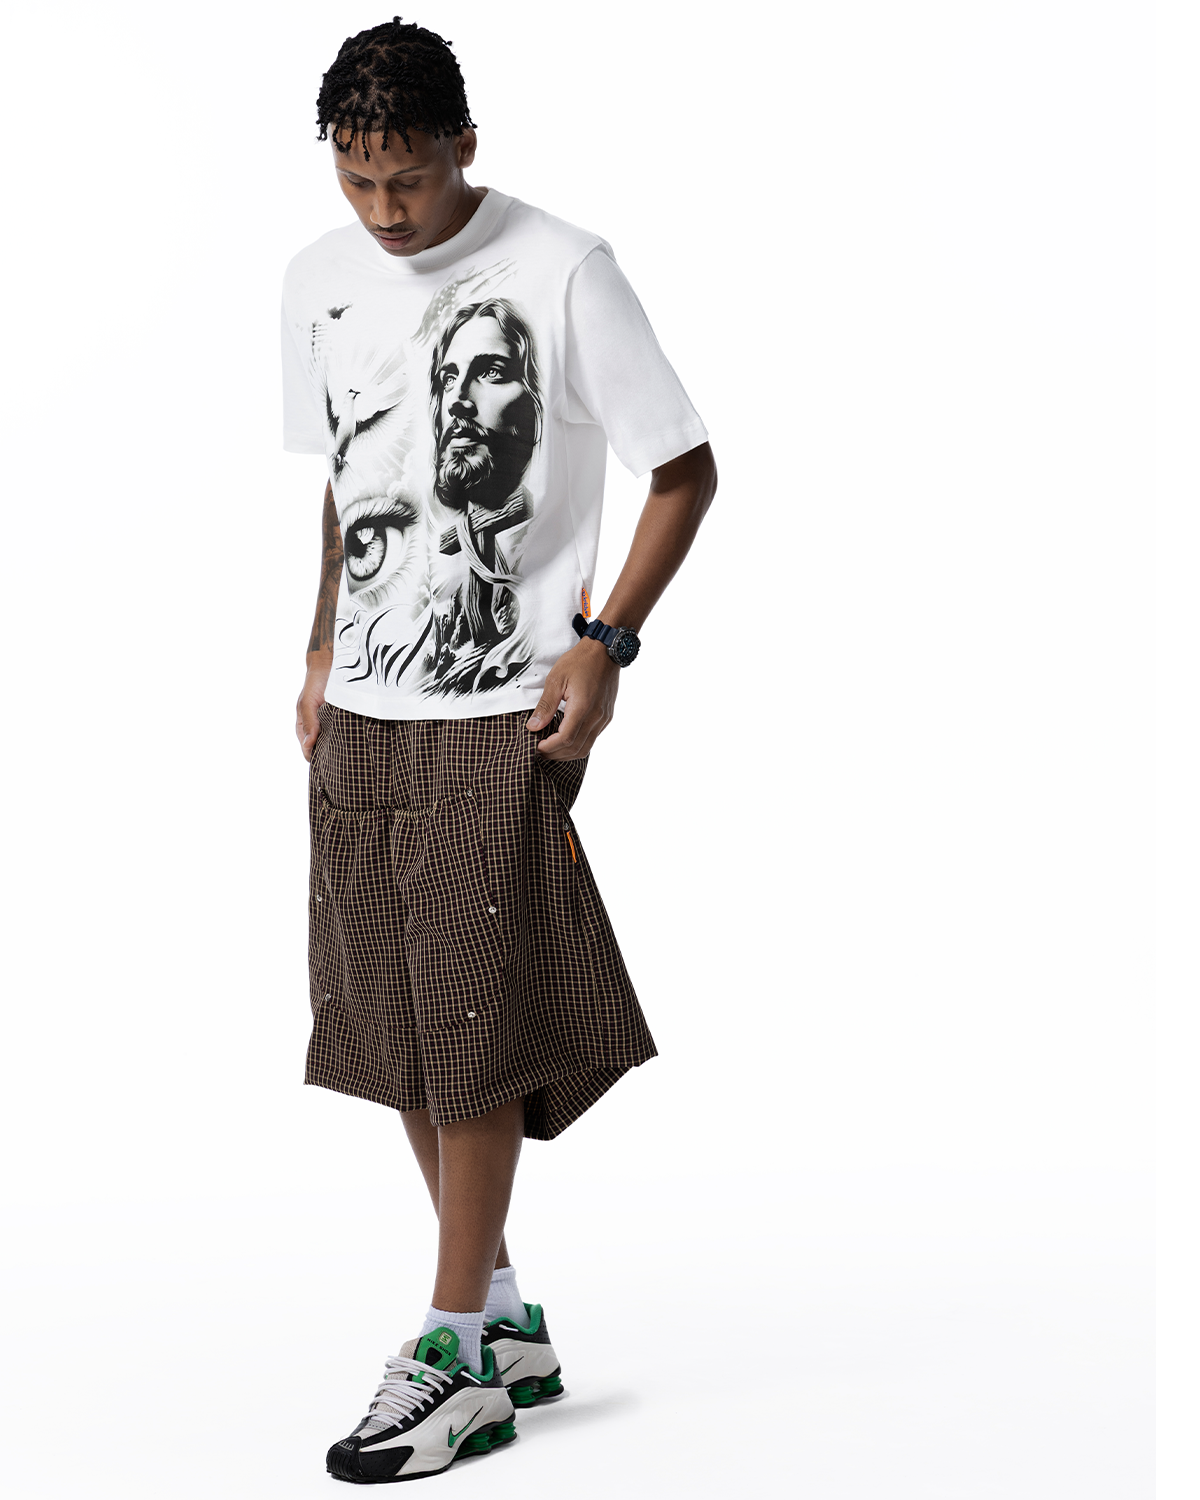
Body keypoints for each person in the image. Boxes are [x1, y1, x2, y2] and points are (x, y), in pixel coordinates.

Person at [282, 16, 716, 1484]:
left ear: (465, 143)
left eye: (407, 176)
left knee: (471, 1027)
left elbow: (685, 467)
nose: (384, 209)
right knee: (399, 1026)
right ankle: (507, 1320)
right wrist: (318, 648)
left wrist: (606, 644)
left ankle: (451, 1348)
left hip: (505, 708)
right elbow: (350, 474)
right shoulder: (317, 279)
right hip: (365, 712)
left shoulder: (564, 267)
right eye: (356, 180)